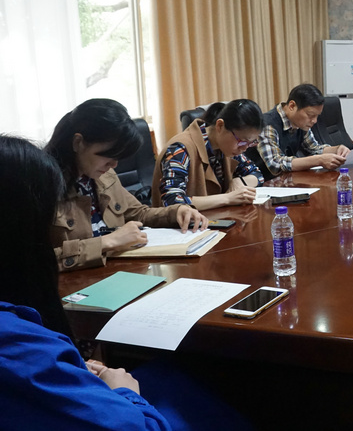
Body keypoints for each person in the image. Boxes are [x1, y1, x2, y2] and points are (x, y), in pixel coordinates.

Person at [0, 135, 253, 430]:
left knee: (173, 373)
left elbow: (138, 211)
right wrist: (125, 393)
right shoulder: (20, 347)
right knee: (203, 385)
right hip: (123, 403)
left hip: (75, 362)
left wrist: (72, 367)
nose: (114, 164)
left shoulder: (25, 342)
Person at [44, 99, 207, 272]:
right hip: (76, 282)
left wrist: (176, 212)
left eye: (118, 157)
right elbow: (33, 261)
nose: (114, 165)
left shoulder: (105, 176)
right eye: (109, 155)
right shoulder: (41, 185)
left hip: (116, 270)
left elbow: (138, 214)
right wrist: (107, 242)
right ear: (78, 143)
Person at [154, 99, 264, 209]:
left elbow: (257, 174)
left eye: (251, 142)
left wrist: (239, 181)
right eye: (242, 141)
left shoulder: (226, 148)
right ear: (220, 126)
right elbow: (172, 201)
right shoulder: (180, 149)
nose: (244, 148)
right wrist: (227, 198)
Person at [246, 84, 350, 178]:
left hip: (287, 180)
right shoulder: (267, 125)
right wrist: (319, 160)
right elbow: (275, 164)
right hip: (264, 183)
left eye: (317, 116)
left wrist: (336, 149)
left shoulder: (300, 123)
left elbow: (313, 148)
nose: (314, 121)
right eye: (310, 115)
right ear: (292, 106)